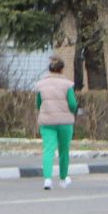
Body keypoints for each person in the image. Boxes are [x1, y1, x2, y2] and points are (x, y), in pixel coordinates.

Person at [33, 56, 78, 190]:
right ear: (62, 69)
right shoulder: (68, 84)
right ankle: (63, 179)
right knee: (64, 151)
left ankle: (47, 179)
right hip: (65, 122)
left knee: (48, 150)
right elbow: (72, 104)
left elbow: (38, 103)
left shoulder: (41, 84)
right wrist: (73, 109)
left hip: (47, 122)